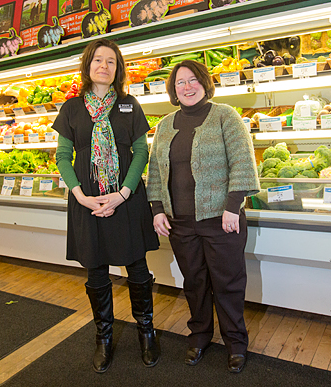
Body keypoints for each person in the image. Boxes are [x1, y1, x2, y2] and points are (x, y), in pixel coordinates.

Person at [53, 38, 160, 373]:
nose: (104, 66)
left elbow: (141, 152)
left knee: (137, 267)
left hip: (125, 199)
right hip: (87, 201)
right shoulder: (71, 108)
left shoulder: (129, 104)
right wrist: (80, 195)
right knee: (95, 270)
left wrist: (123, 192)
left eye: (111, 61)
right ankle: (104, 336)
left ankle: (146, 331)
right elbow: (62, 156)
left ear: (118, 68)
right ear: (88, 65)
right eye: (98, 60)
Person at [146, 60, 259, 373]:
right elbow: (155, 170)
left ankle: (236, 342)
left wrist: (232, 206)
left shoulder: (225, 115)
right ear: (173, 89)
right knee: (194, 282)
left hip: (221, 220)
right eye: (180, 82)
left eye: (193, 80)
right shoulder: (166, 125)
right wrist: (157, 208)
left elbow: (242, 162)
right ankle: (200, 335)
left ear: (205, 84)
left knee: (228, 283)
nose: (187, 87)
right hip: (180, 223)